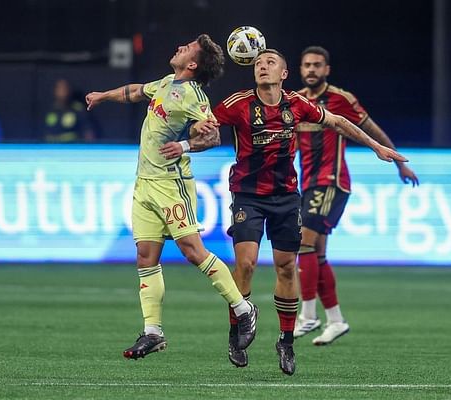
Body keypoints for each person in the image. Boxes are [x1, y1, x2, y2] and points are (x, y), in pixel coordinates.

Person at [159, 49, 408, 375]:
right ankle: (236, 333)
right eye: (259, 63)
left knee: (287, 267)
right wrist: (193, 138)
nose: (263, 66)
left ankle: (286, 341)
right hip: (247, 195)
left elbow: (338, 122)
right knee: (245, 264)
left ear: (284, 74)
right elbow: (205, 130)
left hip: (286, 197)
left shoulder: (297, 104)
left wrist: (376, 147)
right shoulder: (237, 104)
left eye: (270, 63)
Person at [84, 34, 258, 361]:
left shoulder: (193, 96)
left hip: (170, 183)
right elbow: (136, 91)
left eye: (189, 47)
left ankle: (243, 308)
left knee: (193, 252)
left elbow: (213, 135)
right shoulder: (166, 82)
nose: (181, 46)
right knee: (146, 257)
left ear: (193, 64)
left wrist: (184, 146)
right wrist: (105, 96)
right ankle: (153, 333)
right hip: (145, 184)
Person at [293, 46, 419, 345]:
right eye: (307, 65)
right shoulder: (295, 102)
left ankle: (308, 314)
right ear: (300, 69)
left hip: (331, 181)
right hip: (309, 184)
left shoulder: (341, 99)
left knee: (303, 244)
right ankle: (335, 320)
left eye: (317, 65)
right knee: (317, 253)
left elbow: (371, 129)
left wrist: (399, 162)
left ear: (327, 69)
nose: (311, 70)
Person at [43, 79, 96, 143]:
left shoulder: (78, 109)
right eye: (59, 88)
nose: (62, 92)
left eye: (64, 89)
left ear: (69, 90)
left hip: (71, 148)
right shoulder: (51, 110)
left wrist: (89, 147)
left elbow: (88, 132)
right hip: (51, 148)